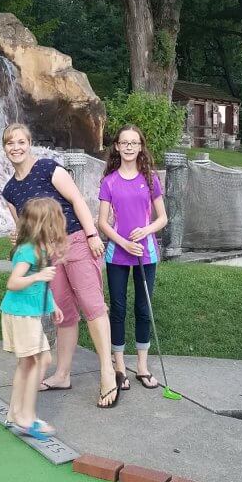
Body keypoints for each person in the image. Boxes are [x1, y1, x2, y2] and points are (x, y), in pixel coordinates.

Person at [1, 123, 120, 409]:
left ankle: (107, 373)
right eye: (9, 143)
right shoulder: (9, 191)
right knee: (64, 314)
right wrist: (18, 239)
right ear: (5, 148)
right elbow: (24, 229)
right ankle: (63, 374)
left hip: (76, 240)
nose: (16, 147)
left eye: (21, 141)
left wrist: (92, 235)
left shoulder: (48, 168)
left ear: (29, 143)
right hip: (47, 255)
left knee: (93, 307)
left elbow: (77, 199)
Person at [97, 125, 168, 391]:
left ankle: (141, 366)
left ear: (140, 147)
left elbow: (162, 218)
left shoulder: (150, 179)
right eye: (124, 142)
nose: (128, 147)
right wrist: (124, 241)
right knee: (117, 308)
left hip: (145, 254)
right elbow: (103, 223)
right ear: (116, 146)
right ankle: (118, 367)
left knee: (143, 308)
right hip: (117, 254)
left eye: (134, 143)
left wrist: (146, 230)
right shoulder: (109, 182)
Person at [1, 197, 65, 440]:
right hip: (20, 314)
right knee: (42, 360)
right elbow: (13, 282)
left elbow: (43, 289)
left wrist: (53, 305)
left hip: (29, 313)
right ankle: (26, 417)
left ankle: (13, 413)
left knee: (28, 363)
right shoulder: (28, 250)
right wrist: (37, 277)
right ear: (43, 224)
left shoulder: (42, 248)